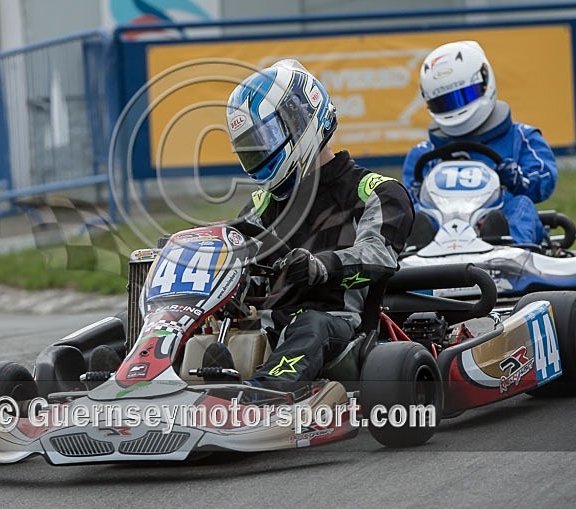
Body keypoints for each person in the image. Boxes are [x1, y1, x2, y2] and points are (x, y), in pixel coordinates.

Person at [202, 59, 415, 388]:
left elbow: (380, 256)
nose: (259, 154)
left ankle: (261, 396)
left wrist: (321, 266)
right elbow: (239, 261)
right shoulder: (261, 207)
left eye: (264, 140)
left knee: (310, 324)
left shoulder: (375, 191)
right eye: (250, 149)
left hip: (343, 333)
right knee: (190, 326)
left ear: (300, 117)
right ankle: (137, 380)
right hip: (272, 332)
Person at [402, 40, 557, 245]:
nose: (457, 108)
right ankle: (416, 252)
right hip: (442, 234)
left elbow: (545, 180)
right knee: (415, 214)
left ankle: (507, 247)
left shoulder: (521, 137)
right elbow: (405, 203)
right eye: (446, 102)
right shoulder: (423, 154)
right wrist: (414, 198)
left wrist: (518, 180)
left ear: (485, 82)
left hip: (499, 221)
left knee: (522, 204)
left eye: (463, 96)